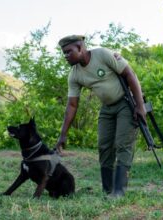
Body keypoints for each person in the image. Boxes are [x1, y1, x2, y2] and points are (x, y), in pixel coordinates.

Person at [55, 35, 146, 198]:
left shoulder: (102, 55)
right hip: (107, 108)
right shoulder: (74, 75)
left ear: (80, 47)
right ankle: (107, 189)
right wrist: (63, 134)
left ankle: (119, 191)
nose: (65, 56)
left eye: (68, 52)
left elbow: (130, 74)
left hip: (125, 103)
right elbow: (72, 105)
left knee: (122, 144)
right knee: (104, 146)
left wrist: (140, 106)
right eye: (63, 53)